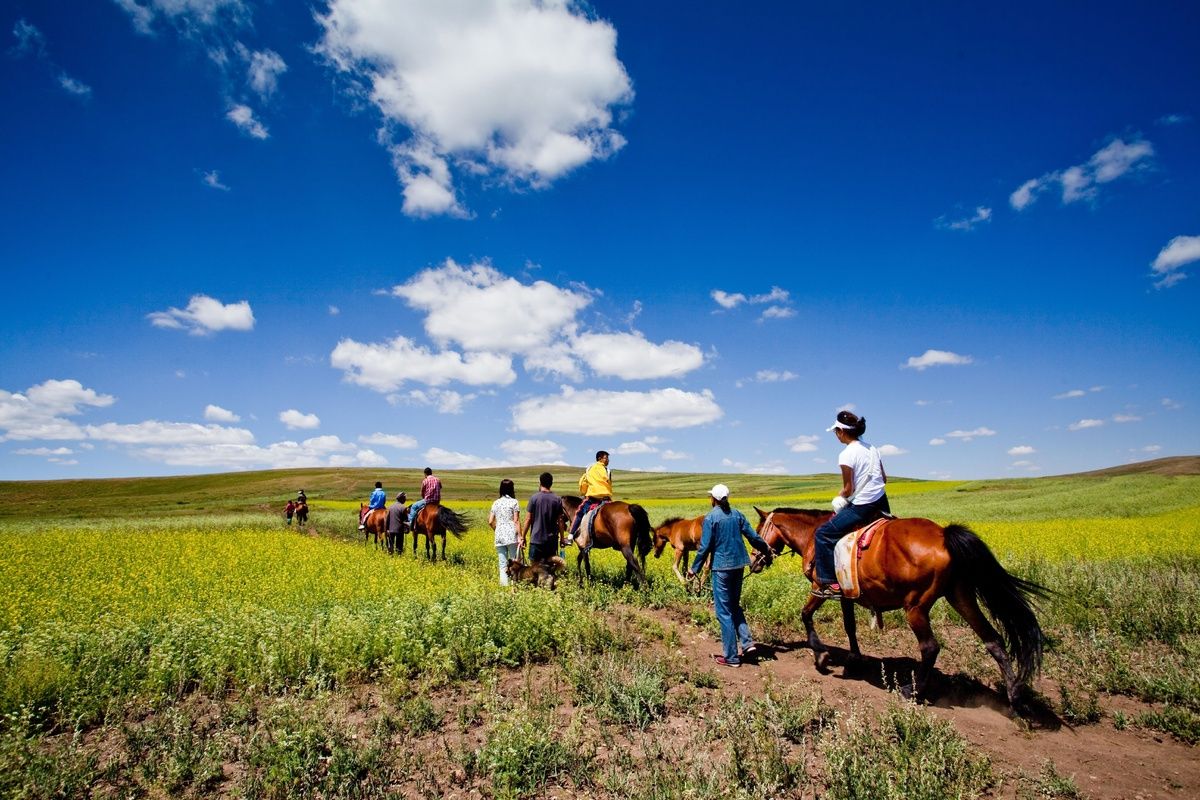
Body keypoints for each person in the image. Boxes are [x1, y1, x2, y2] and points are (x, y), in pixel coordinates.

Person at [686, 484, 773, 668]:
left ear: (714, 499)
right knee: (734, 605)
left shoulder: (711, 518)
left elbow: (705, 547)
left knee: (724, 612)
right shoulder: (737, 515)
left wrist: (694, 569)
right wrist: (766, 548)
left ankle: (731, 657)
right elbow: (753, 537)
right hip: (739, 565)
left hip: (722, 568)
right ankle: (747, 644)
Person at [812, 410, 891, 599]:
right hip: (882, 503)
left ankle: (830, 583)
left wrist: (839, 497)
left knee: (823, 534)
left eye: (836, 432)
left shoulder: (846, 454)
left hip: (863, 506)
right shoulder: (872, 449)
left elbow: (849, 489)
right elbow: (884, 478)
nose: (836, 435)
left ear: (841, 431)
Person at [568, 450, 612, 545]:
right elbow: (609, 483)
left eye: (608, 458)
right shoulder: (608, 471)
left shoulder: (589, 469)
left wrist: (584, 492)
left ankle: (570, 536)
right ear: (599, 458)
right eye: (606, 458)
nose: (608, 460)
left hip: (593, 498)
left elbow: (583, 483)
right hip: (606, 498)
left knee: (579, 513)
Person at [523, 471, 564, 564]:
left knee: (535, 568)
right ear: (551, 483)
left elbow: (528, 519)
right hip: (551, 540)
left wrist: (523, 537)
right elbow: (560, 520)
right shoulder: (557, 499)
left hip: (536, 539)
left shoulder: (534, 498)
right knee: (550, 568)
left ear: (540, 482)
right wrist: (562, 538)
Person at [489, 479, 522, 586]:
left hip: (499, 535)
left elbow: (490, 521)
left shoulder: (496, 503)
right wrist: (520, 536)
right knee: (515, 562)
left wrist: (497, 529)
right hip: (512, 535)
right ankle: (514, 585)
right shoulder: (514, 502)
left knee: (502, 563)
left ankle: (504, 585)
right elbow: (516, 521)